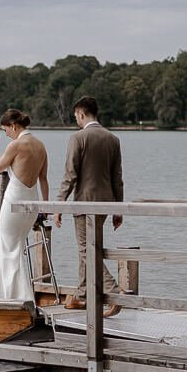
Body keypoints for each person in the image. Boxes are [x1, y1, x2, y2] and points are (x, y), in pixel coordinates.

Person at [55, 95, 124, 317]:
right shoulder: (112, 139)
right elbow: (117, 179)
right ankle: (83, 296)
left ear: (82, 114)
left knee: (87, 250)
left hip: (84, 204)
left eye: (76, 115)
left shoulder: (78, 138)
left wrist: (59, 205)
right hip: (105, 204)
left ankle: (115, 292)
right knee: (88, 249)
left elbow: (70, 175)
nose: (76, 119)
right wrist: (118, 209)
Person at [0, 108, 50, 301]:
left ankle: (16, 296)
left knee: (7, 246)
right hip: (33, 201)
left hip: (14, 200)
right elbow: (44, 180)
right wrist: (45, 207)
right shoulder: (40, 145)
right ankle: (5, 292)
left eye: (6, 131)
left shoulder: (16, 145)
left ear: (13, 126)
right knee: (16, 246)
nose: (6, 135)